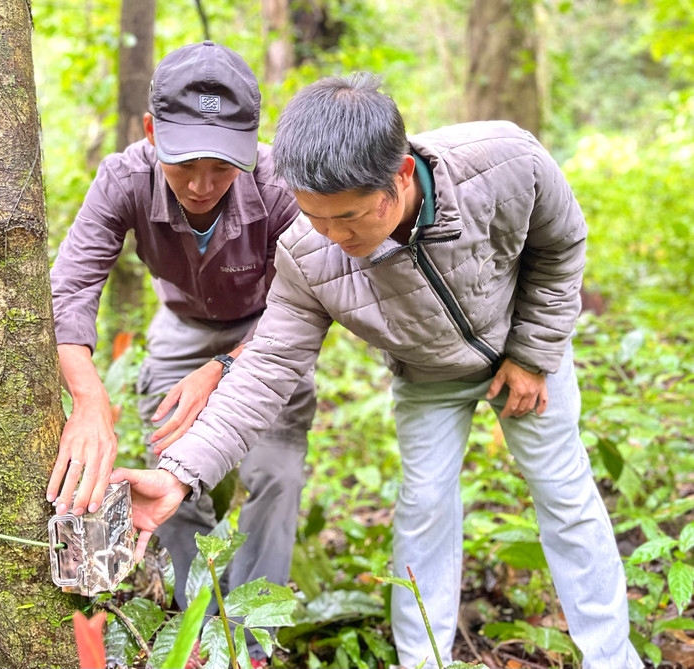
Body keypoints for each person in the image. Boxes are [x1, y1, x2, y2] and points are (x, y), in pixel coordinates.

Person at [112, 73, 643, 668]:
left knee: (564, 495)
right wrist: (180, 474)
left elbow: (561, 243)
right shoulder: (306, 255)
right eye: (317, 218)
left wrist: (533, 354)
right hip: (428, 377)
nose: (335, 236)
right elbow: (266, 370)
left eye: (351, 218)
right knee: (424, 505)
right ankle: (424, 661)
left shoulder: (505, 162)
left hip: (528, 351)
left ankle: (612, 658)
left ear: (399, 175)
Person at [46, 41, 316, 664]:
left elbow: (305, 312)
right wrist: (88, 399)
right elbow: (70, 291)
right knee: (168, 471)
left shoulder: (281, 186)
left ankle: (249, 637)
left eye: (222, 167)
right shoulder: (123, 177)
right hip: (181, 325)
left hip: (271, 328)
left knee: (276, 474)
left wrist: (223, 370)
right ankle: (196, 620)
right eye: (183, 163)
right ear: (150, 133)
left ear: (251, 146)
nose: (200, 185)